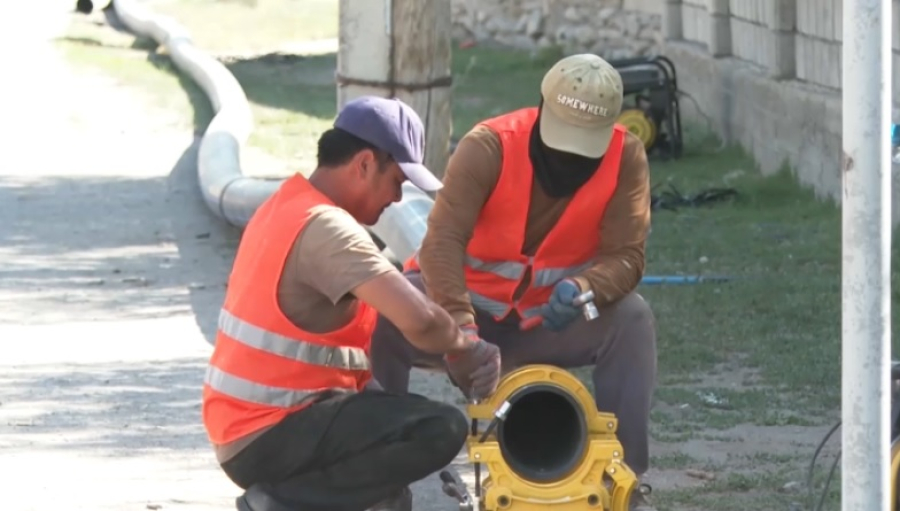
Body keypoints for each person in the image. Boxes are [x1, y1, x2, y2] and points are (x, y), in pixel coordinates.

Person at [370, 54, 658, 510]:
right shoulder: (488, 147)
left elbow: (627, 256)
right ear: (540, 109)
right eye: (562, 142)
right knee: (385, 313)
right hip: (461, 321)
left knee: (632, 320)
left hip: (544, 325)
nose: (568, 161)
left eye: (585, 149)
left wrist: (584, 289)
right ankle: (381, 483)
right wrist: (461, 334)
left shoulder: (626, 159)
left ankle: (623, 482)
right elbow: (441, 243)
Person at [201, 95, 502, 511]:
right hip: (269, 433)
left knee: (390, 494)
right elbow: (419, 321)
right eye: (397, 180)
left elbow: (331, 355)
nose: (398, 199)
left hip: (247, 426)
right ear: (363, 164)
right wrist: (466, 347)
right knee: (439, 428)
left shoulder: (286, 206)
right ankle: (280, 503)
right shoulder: (328, 228)